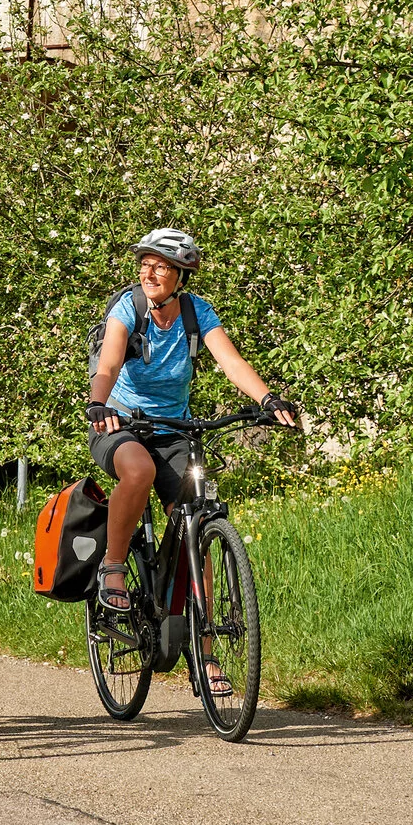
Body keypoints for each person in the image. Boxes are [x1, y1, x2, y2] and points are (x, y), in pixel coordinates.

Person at [86, 228, 297, 693]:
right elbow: (108, 365)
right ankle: (114, 568)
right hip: (120, 426)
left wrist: (267, 398)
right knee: (138, 472)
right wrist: (100, 404)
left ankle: (204, 652)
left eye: (161, 266)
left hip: (175, 430)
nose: (150, 273)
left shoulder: (197, 314)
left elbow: (232, 362)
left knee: (197, 523)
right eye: (145, 264)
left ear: (180, 276)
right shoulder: (128, 309)